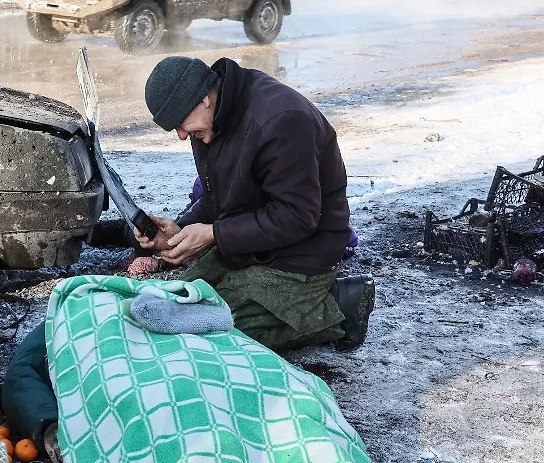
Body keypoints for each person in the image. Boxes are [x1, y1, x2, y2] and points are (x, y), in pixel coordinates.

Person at [134, 56, 375, 352]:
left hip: (301, 253)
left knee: (210, 333)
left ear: (203, 98)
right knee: (168, 307)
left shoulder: (281, 120)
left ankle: (340, 305)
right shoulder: (209, 120)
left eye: (180, 122)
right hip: (248, 243)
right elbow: (217, 195)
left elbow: (297, 217)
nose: (181, 135)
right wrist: (179, 230)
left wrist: (214, 234)